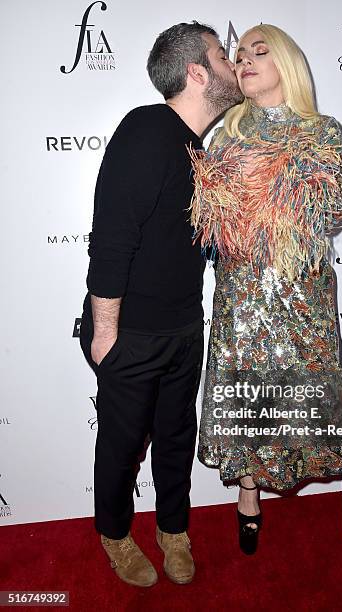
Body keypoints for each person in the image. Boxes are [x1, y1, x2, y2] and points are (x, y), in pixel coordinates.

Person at [189, 24, 342, 555]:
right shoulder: (225, 135)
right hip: (242, 289)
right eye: (239, 54)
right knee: (243, 386)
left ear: (287, 64)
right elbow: (212, 223)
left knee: (319, 391)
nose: (245, 60)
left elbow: (335, 211)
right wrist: (238, 198)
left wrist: (261, 190)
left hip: (300, 292)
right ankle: (247, 495)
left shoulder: (322, 131)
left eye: (259, 51)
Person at [79, 21, 243, 587]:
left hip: (182, 327)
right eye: (223, 54)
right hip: (129, 331)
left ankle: (174, 529)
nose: (233, 61)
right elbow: (112, 237)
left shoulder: (202, 150)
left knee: (175, 438)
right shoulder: (147, 130)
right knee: (121, 448)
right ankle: (115, 534)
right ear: (197, 72)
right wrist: (105, 332)